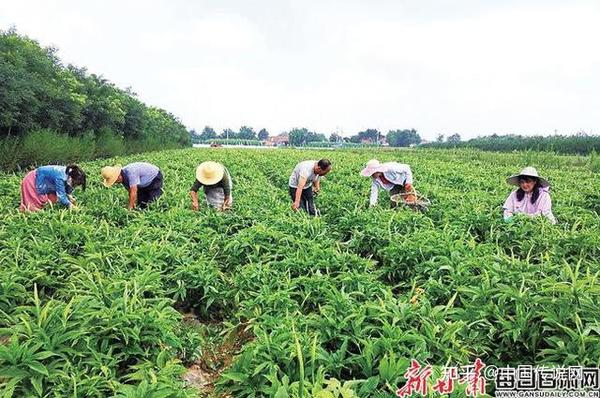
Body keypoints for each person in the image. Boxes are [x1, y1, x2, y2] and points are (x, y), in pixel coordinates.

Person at [20, 164, 86, 212]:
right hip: (32, 180)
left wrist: (69, 197)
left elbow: (66, 189)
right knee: (33, 205)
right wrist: (70, 205)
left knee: (43, 205)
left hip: (43, 181)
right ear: (71, 178)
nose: (75, 186)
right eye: (75, 183)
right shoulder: (61, 177)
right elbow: (61, 196)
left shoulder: (70, 173)